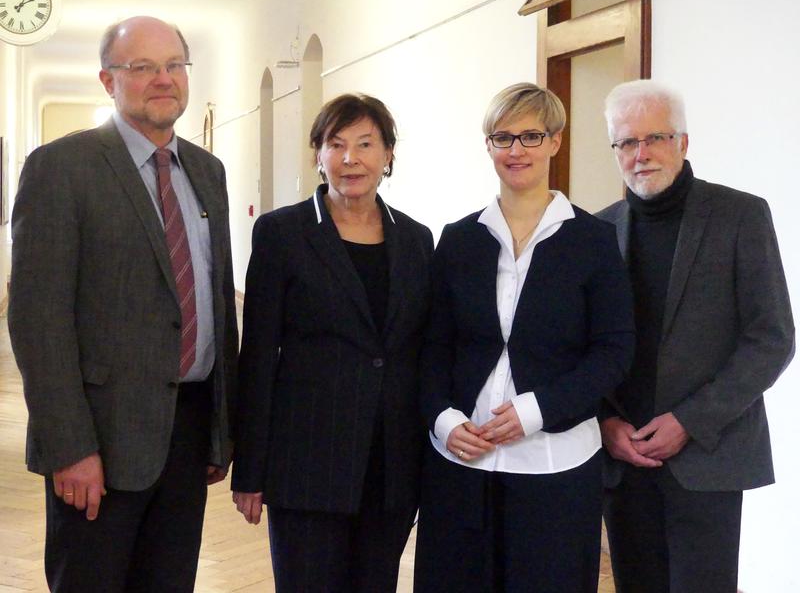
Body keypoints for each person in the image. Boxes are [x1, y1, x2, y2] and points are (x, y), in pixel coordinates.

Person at [8, 16, 239, 593]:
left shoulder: (208, 173)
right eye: (141, 67)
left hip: (187, 432)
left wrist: (219, 429)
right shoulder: (62, 168)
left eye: (173, 65)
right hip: (100, 441)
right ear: (108, 81)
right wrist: (70, 447)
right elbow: (39, 320)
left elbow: (215, 302)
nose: (163, 79)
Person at [413, 82, 635, 592]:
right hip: (461, 462)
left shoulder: (594, 241)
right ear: (488, 146)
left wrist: (537, 410)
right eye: (503, 137)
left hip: (556, 464)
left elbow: (614, 351)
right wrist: (445, 421)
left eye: (531, 136)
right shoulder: (459, 238)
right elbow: (432, 347)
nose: (517, 151)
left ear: (556, 141)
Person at [597, 79, 795, 593]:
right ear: (615, 149)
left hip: (708, 455)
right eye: (626, 142)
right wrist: (603, 423)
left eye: (656, 138)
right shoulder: (595, 231)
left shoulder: (741, 215)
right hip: (624, 459)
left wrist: (688, 421)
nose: (641, 155)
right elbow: (584, 347)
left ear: (683, 142)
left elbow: (772, 337)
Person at [231, 93, 433, 592]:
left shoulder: (416, 239)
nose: (350, 159)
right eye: (335, 144)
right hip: (307, 462)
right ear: (318, 154)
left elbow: (419, 351)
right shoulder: (282, 234)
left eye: (366, 144)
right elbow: (257, 355)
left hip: (391, 465)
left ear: (388, 154)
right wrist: (249, 469)